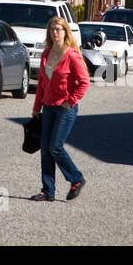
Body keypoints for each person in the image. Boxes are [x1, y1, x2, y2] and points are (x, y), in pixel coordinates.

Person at [30, 14, 91, 201]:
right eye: (52, 29)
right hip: (48, 107)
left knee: (55, 147)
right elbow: (41, 84)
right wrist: (36, 107)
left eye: (58, 29)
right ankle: (47, 190)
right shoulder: (47, 53)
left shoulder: (71, 55)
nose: (55, 32)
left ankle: (76, 179)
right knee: (45, 149)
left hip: (65, 109)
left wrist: (70, 101)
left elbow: (84, 82)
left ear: (65, 32)